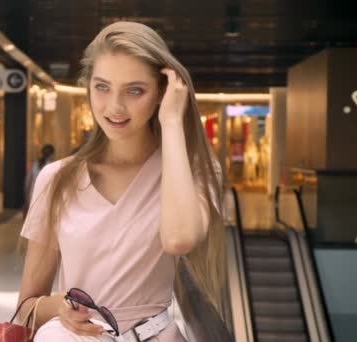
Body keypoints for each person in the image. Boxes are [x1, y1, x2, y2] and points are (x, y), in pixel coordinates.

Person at [17, 21, 224, 342]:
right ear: (87, 87)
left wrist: (171, 123)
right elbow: (26, 308)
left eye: (135, 90)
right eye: (102, 87)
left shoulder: (192, 170)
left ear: (162, 92)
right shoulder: (57, 178)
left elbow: (179, 239)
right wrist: (59, 306)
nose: (114, 107)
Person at [23, 144, 56, 218]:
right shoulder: (52, 166)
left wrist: (26, 194)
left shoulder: (35, 164)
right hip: (45, 197)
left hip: (33, 195)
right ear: (51, 154)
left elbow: (28, 180)